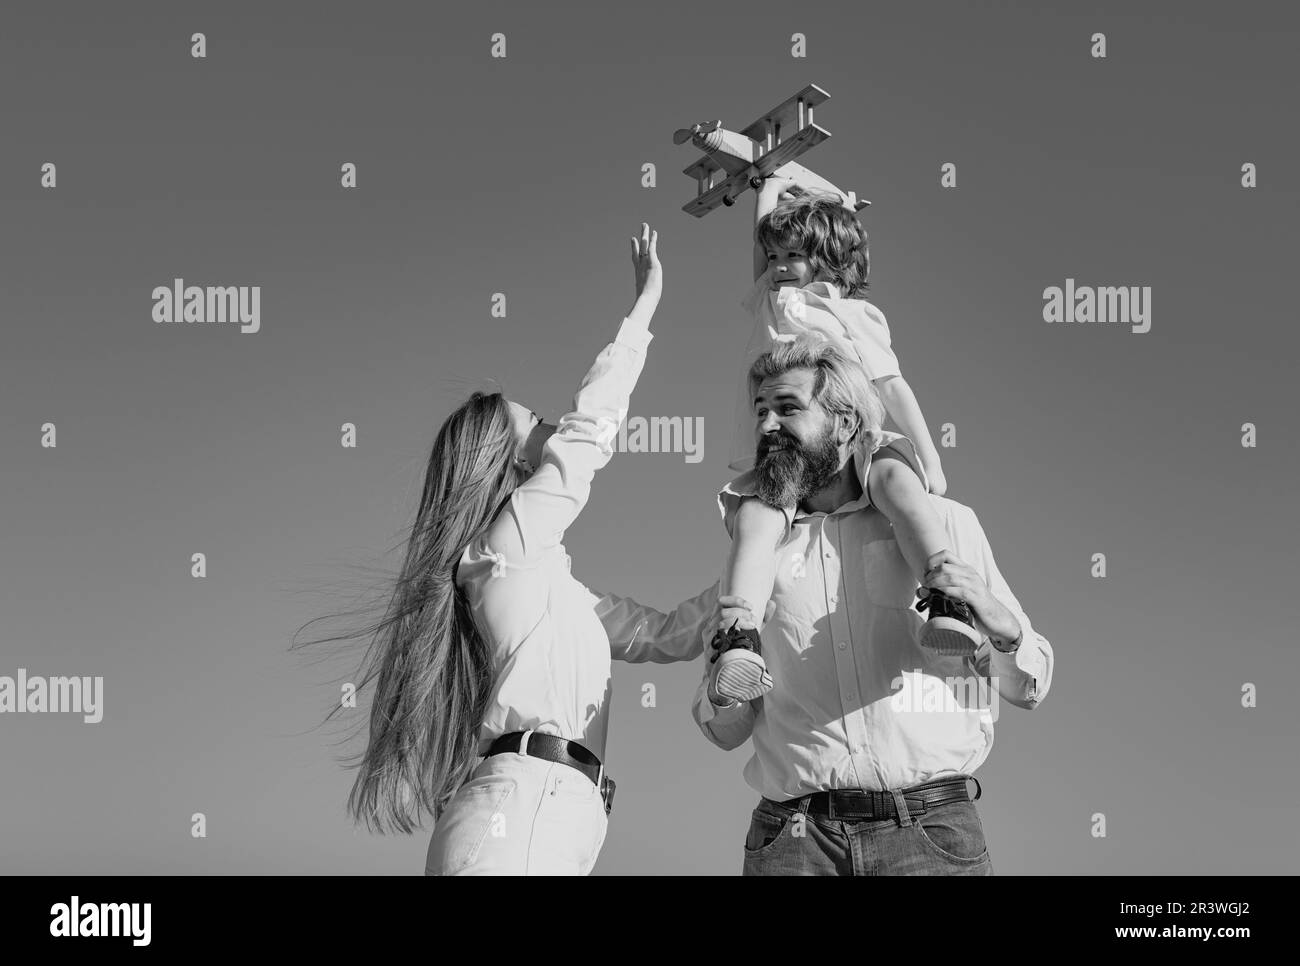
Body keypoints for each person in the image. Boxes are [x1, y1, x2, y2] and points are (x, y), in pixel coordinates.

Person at [312, 223, 746, 875]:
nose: (551, 426)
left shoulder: (553, 586)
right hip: (517, 813)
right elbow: (585, 443)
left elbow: (666, 635)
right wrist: (643, 311)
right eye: (535, 421)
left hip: (556, 816)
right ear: (507, 464)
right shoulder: (499, 553)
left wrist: (761, 562)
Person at [694, 335, 1055, 875]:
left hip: (929, 835)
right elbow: (722, 730)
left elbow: (1031, 686)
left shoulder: (945, 524)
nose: (767, 426)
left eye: (788, 408)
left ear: (845, 423)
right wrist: (723, 681)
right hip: (793, 842)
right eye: (760, 411)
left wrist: (1005, 632)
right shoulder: (756, 552)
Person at [712, 175, 981, 706]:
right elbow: (760, 241)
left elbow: (892, 386)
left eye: (792, 255)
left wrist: (931, 459)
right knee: (756, 520)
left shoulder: (853, 316)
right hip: (791, 451)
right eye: (772, 257)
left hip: (853, 432)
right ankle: (739, 635)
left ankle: (947, 595)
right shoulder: (772, 301)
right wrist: (768, 181)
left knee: (900, 493)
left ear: (829, 259)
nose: (778, 266)